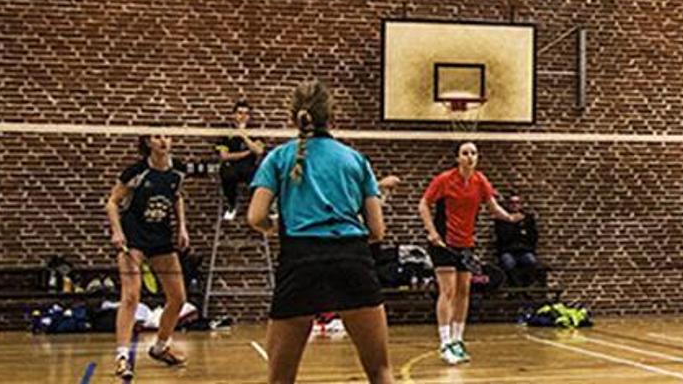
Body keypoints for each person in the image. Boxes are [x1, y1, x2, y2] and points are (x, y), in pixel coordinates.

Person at [247, 79, 394, 384]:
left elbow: (256, 216)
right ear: (332, 117)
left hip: (300, 260)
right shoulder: (355, 159)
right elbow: (377, 230)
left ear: (293, 117)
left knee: (280, 379)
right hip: (353, 259)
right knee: (380, 371)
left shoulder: (279, 157)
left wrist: (274, 227)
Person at [418, 142, 523, 365]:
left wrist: (509, 217)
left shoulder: (480, 181)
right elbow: (424, 204)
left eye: (473, 153)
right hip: (443, 243)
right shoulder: (444, 180)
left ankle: (457, 339)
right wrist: (432, 232)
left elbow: (492, 206)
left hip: (466, 243)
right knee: (448, 291)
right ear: (457, 158)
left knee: (464, 292)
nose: (470, 157)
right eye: (465, 153)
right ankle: (445, 342)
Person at [105, 134, 190, 379]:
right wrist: (117, 232)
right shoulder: (136, 172)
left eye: (167, 136)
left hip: (161, 237)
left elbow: (177, 197)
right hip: (133, 238)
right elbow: (112, 202)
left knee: (178, 297)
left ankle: (161, 346)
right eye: (157, 137)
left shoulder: (178, 171)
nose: (163, 141)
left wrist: (182, 227)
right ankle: (122, 357)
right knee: (131, 295)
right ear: (148, 143)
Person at [216, 100, 266, 220]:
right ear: (234, 115)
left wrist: (244, 136)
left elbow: (259, 151)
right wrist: (247, 153)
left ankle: (258, 209)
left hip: (249, 167)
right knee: (227, 175)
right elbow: (224, 156)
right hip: (231, 166)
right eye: (239, 113)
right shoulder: (226, 134)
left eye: (246, 113)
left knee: (259, 178)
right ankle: (232, 205)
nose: (243, 116)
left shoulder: (255, 133)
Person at [493, 191, 541, 286]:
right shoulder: (502, 220)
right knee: (508, 263)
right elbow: (503, 237)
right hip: (508, 250)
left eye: (517, 203)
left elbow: (532, 236)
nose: (514, 205)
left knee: (531, 261)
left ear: (521, 205)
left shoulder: (528, 219)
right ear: (508, 205)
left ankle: (526, 286)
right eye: (512, 203)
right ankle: (515, 287)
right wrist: (513, 223)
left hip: (524, 250)